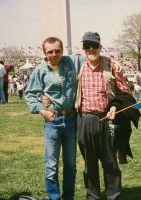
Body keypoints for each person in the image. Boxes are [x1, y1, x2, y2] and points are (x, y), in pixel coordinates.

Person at [75, 31, 130, 200]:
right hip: (85, 119)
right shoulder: (77, 65)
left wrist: (114, 106)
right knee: (89, 164)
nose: (91, 49)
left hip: (108, 119)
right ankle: (93, 196)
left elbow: (125, 91)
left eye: (94, 45)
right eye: (87, 46)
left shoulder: (110, 65)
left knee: (110, 162)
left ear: (101, 47)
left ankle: (113, 195)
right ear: (83, 48)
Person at [25, 37, 77, 200]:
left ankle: (68, 197)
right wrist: (42, 110)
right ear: (44, 53)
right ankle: (54, 198)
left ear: (62, 51)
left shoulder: (70, 62)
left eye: (57, 51)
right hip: (52, 122)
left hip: (71, 120)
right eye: (50, 51)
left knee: (70, 165)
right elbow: (30, 95)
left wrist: (113, 61)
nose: (54, 54)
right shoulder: (40, 70)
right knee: (52, 166)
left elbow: (92, 55)